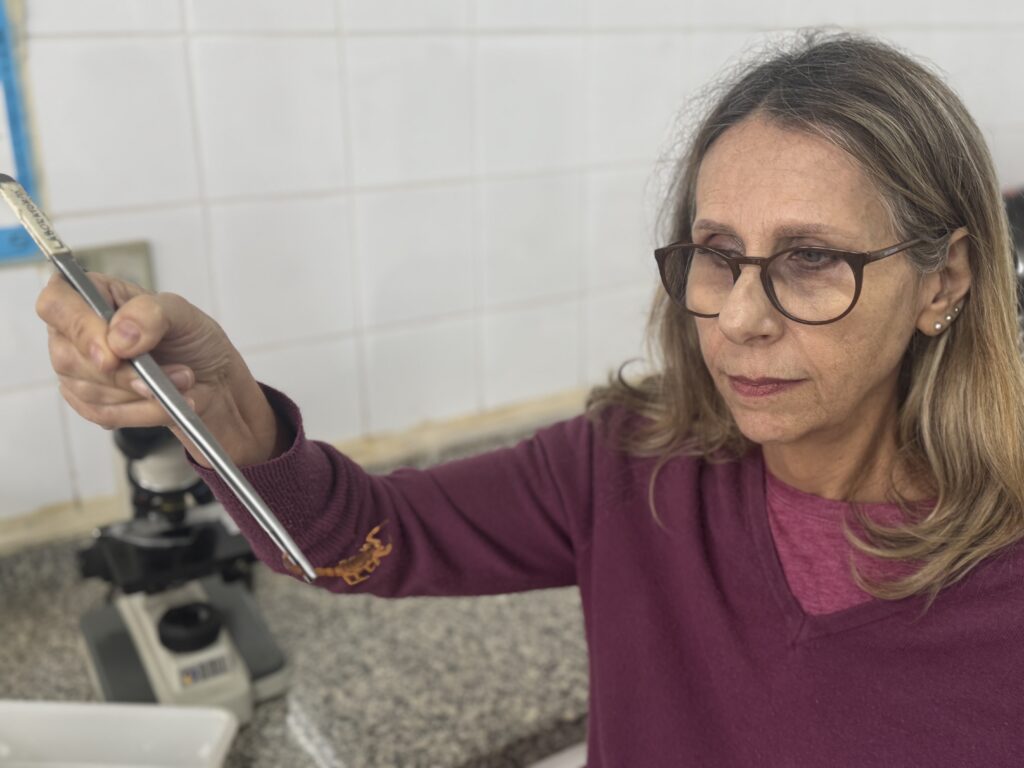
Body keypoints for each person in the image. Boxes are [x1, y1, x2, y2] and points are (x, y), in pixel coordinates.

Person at [36, 30, 1024, 766]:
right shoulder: (627, 466)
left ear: (944, 281)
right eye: (717, 256)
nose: (738, 320)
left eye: (810, 260)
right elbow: (347, 543)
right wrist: (227, 411)